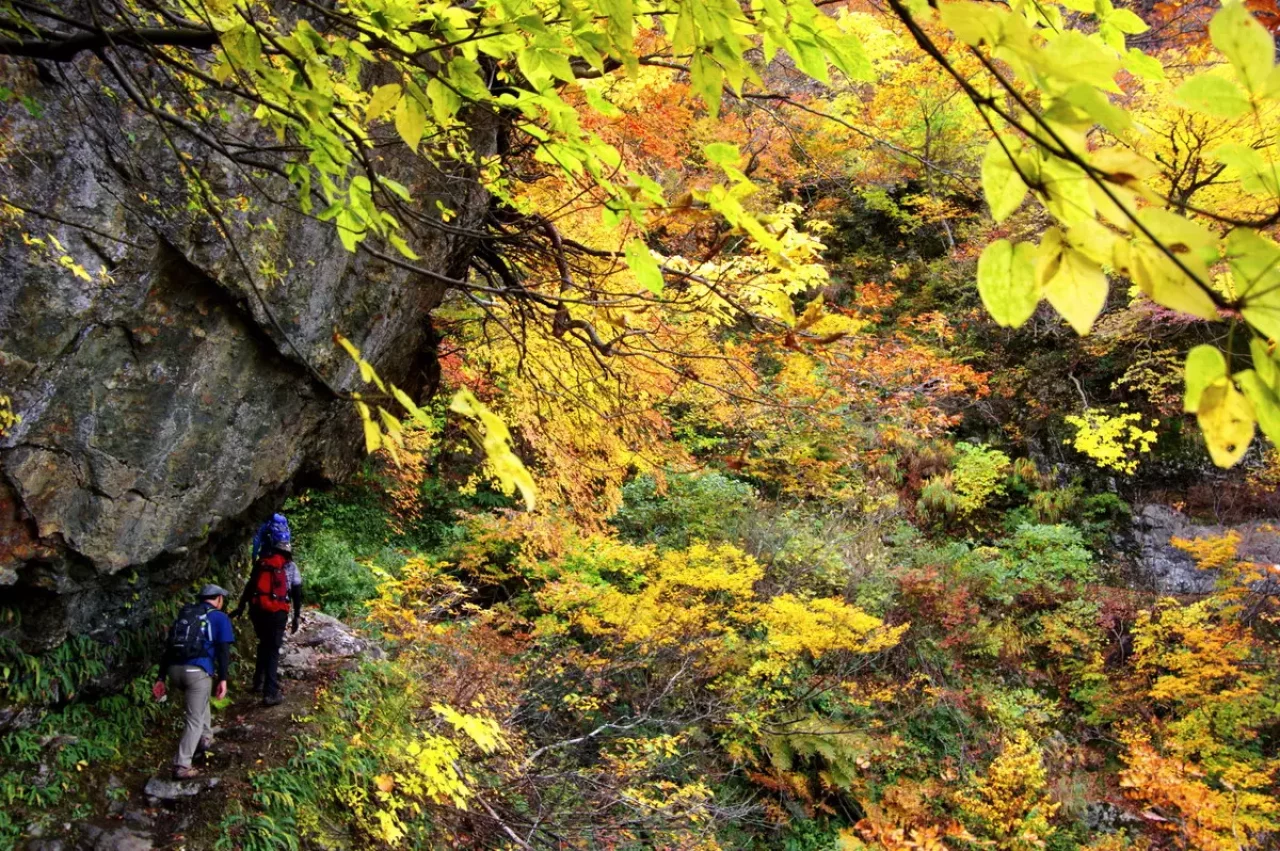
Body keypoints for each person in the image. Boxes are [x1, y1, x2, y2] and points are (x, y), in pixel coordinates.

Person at [154, 584, 234, 780]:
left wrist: (161, 677)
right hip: (196, 672)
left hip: (174, 670)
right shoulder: (218, 617)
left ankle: (206, 738)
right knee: (194, 719)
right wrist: (223, 679)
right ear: (219, 599)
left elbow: (169, 647)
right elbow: (223, 651)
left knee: (200, 699)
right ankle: (182, 765)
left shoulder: (186, 614)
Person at [231, 537, 303, 706]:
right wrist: (296, 616)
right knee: (273, 649)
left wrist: (241, 607)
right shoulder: (290, 566)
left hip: (257, 611)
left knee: (264, 643)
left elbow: (250, 587)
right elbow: (297, 592)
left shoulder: (261, 564)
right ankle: (270, 692)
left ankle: (258, 682)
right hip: (277, 612)